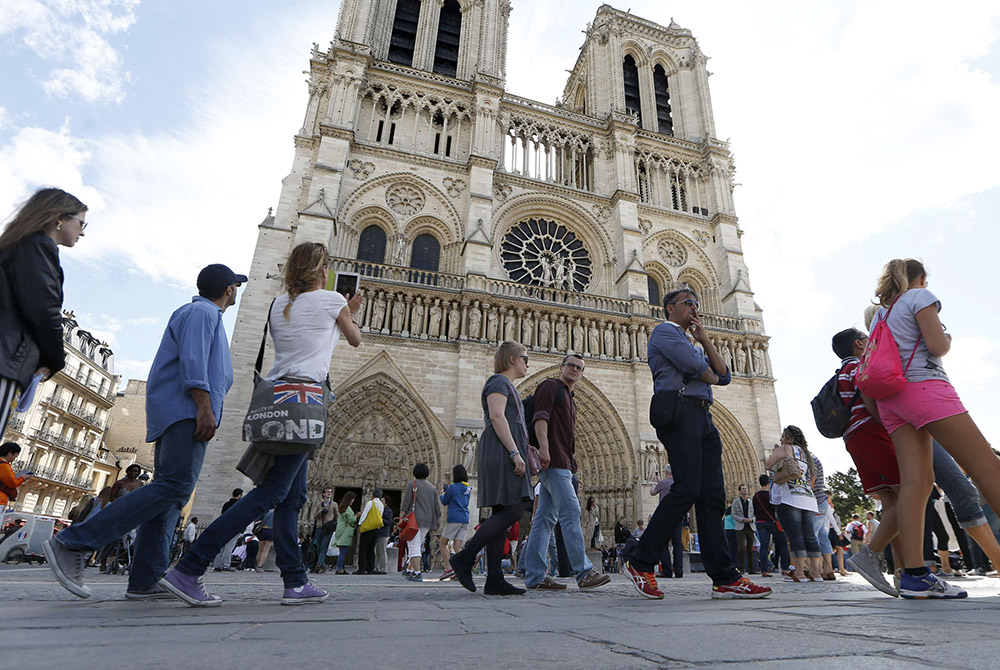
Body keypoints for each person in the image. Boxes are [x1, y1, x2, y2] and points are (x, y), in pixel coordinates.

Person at [161, 242, 361, 606]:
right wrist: (351, 310)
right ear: (320, 270)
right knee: (270, 493)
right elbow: (356, 339)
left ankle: (295, 581)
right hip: (305, 402)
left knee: (292, 498)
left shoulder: (278, 304)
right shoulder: (333, 300)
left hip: (277, 398)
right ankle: (189, 567)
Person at [44, 263, 245, 601]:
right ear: (229, 289)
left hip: (182, 412)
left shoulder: (202, 315)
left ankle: (145, 579)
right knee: (175, 486)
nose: (237, 291)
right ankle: (72, 543)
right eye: (236, 286)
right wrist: (205, 408)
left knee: (170, 498)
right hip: (187, 412)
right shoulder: (203, 314)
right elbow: (194, 365)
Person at [861, 258, 1000, 598]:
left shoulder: (882, 313)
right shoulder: (920, 297)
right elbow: (937, 346)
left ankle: (914, 576)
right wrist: (947, 336)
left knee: (916, 484)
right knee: (988, 468)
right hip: (926, 388)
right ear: (921, 278)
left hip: (892, 399)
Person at [625, 289, 770, 600]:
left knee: (713, 495)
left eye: (696, 303)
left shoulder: (691, 340)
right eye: (687, 303)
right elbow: (697, 368)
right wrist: (708, 370)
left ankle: (724, 575)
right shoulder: (665, 332)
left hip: (703, 416)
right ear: (669, 308)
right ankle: (640, 560)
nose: (694, 308)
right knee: (687, 488)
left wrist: (705, 340)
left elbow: (725, 376)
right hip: (680, 412)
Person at [448, 342, 534, 596]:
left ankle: (495, 578)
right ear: (511, 359)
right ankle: (465, 557)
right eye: (524, 358)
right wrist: (515, 452)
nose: (527, 363)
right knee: (515, 508)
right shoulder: (498, 382)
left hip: (504, 449)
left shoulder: (508, 386)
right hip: (500, 450)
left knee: (502, 510)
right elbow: (497, 417)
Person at [0, 188, 86, 438]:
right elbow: (44, 311)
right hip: (7, 361)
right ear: (60, 218)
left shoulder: (16, 246)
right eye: (81, 222)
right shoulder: (38, 247)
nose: (83, 231)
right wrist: (55, 360)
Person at [522, 354, 610, 592]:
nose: (574, 369)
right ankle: (583, 571)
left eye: (579, 367)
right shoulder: (550, 386)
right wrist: (543, 448)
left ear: (582, 373)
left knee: (544, 520)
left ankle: (535, 576)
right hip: (553, 462)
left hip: (564, 464)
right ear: (561, 368)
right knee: (571, 511)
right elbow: (541, 418)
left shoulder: (570, 399)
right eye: (570, 365)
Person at [764, 426, 822, 582]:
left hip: (790, 496)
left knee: (795, 536)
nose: (781, 439)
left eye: (783, 436)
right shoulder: (806, 453)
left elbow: (768, 465)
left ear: (789, 438)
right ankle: (816, 573)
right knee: (809, 536)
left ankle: (800, 573)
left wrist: (776, 452)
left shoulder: (785, 448)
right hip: (807, 497)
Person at [399, 463, 440, 581]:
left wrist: (401, 518)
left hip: (414, 519)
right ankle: (410, 570)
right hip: (428, 521)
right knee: (418, 544)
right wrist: (437, 520)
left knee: (413, 545)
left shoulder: (412, 484)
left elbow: (406, 504)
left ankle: (417, 573)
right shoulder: (432, 488)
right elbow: (437, 506)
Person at [439, 465, 472, 580]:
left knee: (443, 543)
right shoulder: (468, 489)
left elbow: (445, 501)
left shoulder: (453, 487)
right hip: (465, 518)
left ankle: (449, 568)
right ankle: (461, 570)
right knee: (457, 546)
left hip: (455, 518)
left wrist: (442, 494)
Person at [650, 467, 684, 578]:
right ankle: (679, 571)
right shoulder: (679, 483)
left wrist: (654, 482)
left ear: (666, 472)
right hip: (678, 515)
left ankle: (667, 570)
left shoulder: (662, 483)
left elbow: (652, 492)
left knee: (663, 543)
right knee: (677, 544)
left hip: (665, 516)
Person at [752, 474, 788, 578]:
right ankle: (785, 568)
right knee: (783, 544)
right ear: (768, 483)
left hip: (760, 522)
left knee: (764, 546)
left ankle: (764, 570)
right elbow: (775, 508)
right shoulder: (771, 494)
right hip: (772, 522)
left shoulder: (756, 496)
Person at [212, 488, 244, 571]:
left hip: (224, 526)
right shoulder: (240, 504)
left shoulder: (226, 504)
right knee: (229, 547)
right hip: (234, 528)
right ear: (239, 495)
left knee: (221, 547)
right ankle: (226, 565)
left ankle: (216, 565)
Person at [356, 490, 385, 575]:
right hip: (376, 528)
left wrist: (360, 524)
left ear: (372, 495)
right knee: (371, 549)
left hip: (368, 528)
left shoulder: (370, 503)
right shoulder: (381, 505)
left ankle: (362, 568)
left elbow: (365, 514)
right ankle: (370, 568)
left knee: (363, 548)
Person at [730, 484, 755, 574]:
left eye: (746, 488)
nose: (745, 490)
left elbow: (755, 514)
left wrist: (752, 519)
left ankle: (751, 569)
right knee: (741, 548)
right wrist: (742, 519)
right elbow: (733, 514)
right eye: (743, 489)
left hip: (750, 526)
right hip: (740, 527)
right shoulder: (735, 502)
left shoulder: (751, 502)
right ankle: (741, 568)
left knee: (750, 549)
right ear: (739, 491)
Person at [312, 487, 335, 572]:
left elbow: (337, 516)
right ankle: (322, 565)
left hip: (328, 529)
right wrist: (319, 511)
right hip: (319, 527)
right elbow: (314, 517)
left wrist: (334, 525)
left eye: (330, 492)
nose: (329, 493)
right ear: (323, 494)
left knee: (323, 547)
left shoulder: (334, 505)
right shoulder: (318, 505)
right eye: (327, 492)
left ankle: (319, 565)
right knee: (319, 547)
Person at [333, 492, 357, 575]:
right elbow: (351, 520)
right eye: (353, 499)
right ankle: (339, 568)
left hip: (341, 531)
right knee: (343, 552)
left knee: (342, 551)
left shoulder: (343, 507)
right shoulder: (347, 508)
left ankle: (341, 568)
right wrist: (356, 516)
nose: (353, 501)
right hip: (345, 532)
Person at [0, 442, 29, 507]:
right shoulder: (4, 466)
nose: (14, 459)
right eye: (15, 456)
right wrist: (23, 478)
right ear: (10, 453)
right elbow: (13, 483)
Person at [375, 493, 393, 574]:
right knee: (376, 552)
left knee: (382, 551)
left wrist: (380, 520)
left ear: (386, 503)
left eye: (382, 501)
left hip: (384, 533)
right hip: (377, 532)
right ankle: (376, 567)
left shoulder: (388, 511)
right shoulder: (378, 509)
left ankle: (383, 568)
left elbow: (389, 522)